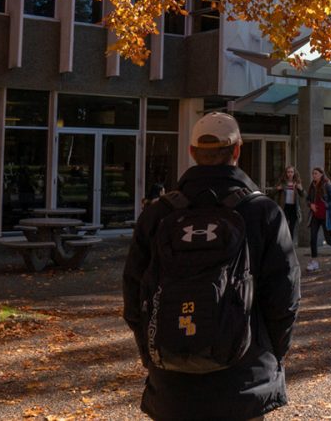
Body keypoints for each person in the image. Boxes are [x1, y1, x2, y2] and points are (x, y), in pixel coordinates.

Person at [122, 112, 300, 421]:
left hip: (172, 382)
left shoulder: (157, 215)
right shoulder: (263, 213)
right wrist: (271, 355)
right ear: (237, 150)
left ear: (191, 153)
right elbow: (284, 299)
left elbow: (133, 296)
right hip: (245, 379)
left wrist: (153, 353)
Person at [305, 168, 331, 271]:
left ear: (321, 174)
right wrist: (311, 205)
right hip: (315, 216)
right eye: (313, 173)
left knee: (328, 240)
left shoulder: (327, 185)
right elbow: (307, 199)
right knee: (313, 239)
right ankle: (314, 262)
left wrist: (327, 206)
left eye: (316, 173)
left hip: (326, 217)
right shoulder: (312, 185)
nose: (314, 175)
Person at [273, 165, 303, 242]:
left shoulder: (297, 183)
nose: (290, 173)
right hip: (284, 207)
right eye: (288, 172)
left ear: (294, 173)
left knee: (292, 228)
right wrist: (277, 188)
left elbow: (304, 195)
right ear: (286, 173)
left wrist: (301, 189)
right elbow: (271, 193)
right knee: (283, 227)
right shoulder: (282, 182)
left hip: (294, 208)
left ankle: (290, 245)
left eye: (291, 172)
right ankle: (283, 243)